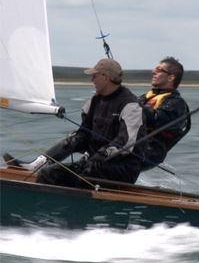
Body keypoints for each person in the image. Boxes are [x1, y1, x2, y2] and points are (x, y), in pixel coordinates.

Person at [4, 59, 146, 186]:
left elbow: (126, 142)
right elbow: (84, 135)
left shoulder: (130, 105)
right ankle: (36, 165)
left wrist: (101, 155)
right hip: (95, 163)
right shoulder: (95, 101)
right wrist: (75, 143)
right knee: (70, 142)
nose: (92, 80)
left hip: (122, 169)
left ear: (106, 77)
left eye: (94, 76)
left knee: (50, 174)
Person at [139, 56, 191, 171]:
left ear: (171, 77)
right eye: (154, 70)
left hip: (150, 151)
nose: (153, 72)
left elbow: (156, 118)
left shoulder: (176, 103)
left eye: (159, 70)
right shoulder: (146, 97)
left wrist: (133, 107)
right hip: (131, 142)